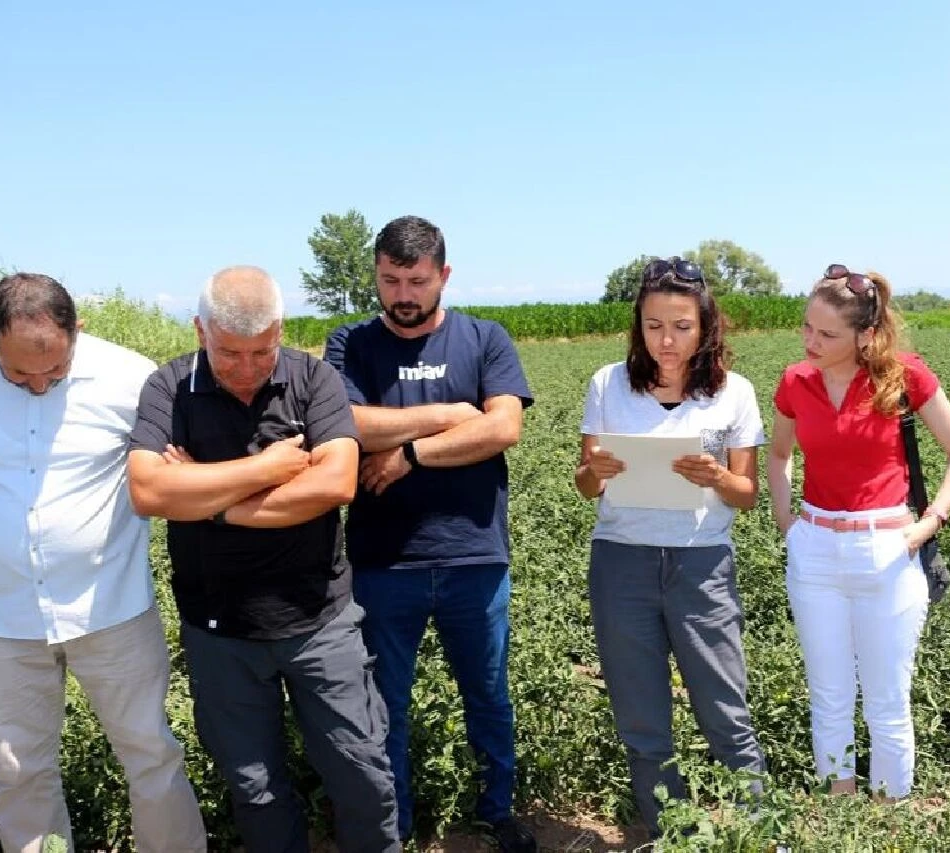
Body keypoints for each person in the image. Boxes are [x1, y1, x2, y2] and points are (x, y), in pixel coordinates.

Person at [125, 266, 399, 853]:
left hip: (320, 622)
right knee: (255, 789)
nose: (247, 369)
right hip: (220, 630)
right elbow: (149, 493)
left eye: (261, 351)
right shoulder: (168, 388)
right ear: (200, 331)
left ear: (281, 329)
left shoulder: (314, 379)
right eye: (230, 353)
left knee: (362, 775)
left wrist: (206, 496)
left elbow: (334, 485)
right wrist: (267, 470)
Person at [323, 216, 537, 852]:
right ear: (376, 276)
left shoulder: (485, 339)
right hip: (383, 561)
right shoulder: (349, 345)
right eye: (390, 280)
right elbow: (349, 423)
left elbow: (501, 430)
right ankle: (396, 824)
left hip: (474, 555)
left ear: (444, 275)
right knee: (383, 706)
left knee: (489, 695)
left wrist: (410, 452)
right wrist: (448, 417)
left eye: (416, 280)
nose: (403, 294)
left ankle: (496, 812)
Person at [0, 273, 206, 853]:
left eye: (54, 369)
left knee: (151, 754)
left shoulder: (130, 377)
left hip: (112, 609)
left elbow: (180, 463)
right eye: (17, 373)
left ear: (78, 330)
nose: (37, 383)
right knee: (15, 771)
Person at [573, 256, 768, 836]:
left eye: (681, 326)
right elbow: (586, 486)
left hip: (700, 564)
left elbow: (748, 494)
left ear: (705, 326)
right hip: (622, 563)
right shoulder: (608, 384)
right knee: (641, 716)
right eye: (654, 324)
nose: (667, 339)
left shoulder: (735, 393)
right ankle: (671, 835)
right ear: (639, 324)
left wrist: (716, 479)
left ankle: (760, 831)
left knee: (724, 708)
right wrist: (596, 470)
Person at [768, 264, 950, 801]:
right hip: (815, 550)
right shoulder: (796, 382)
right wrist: (786, 520)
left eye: (827, 334)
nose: (811, 341)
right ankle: (840, 811)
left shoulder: (905, 376)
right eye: (807, 328)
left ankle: (889, 813)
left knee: (887, 699)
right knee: (829, 695)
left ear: (866, 335)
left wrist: (932, 520)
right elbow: (779, 454)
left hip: (887, 549)